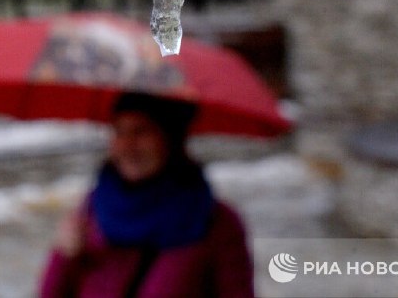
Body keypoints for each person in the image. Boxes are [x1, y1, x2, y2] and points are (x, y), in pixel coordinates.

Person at [39, 92, 255, 298]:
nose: (127, 145)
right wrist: (65, 256)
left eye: (141, 131)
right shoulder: (93, 210)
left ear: (170, 138)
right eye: (119, 132)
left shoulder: (216, 222)